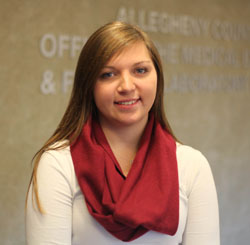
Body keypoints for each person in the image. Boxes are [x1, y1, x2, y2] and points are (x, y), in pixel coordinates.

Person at [26, 21, 220, 244]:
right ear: (89, 85)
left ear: (157, 77)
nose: (127, 86)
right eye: (108, 75)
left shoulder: (192, 166)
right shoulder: (57, 163)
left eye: (140, 70)